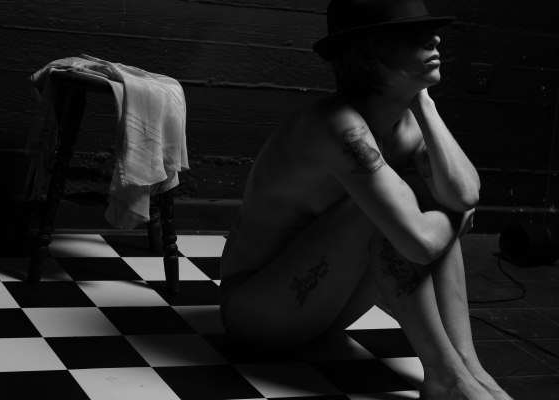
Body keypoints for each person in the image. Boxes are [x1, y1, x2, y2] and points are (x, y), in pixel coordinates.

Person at [219, 0, 513, 399]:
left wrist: (424, 103)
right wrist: (456, 218)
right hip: (257, 314)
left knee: (417, 200)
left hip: (322, 313)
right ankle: (444, 375)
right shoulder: (337, 125)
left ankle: (466, 365)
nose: (435, 39)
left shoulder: (406, 122)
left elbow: (464, 193)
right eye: (412, 35)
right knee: (387, 212)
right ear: (370, 53)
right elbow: (424, 240)